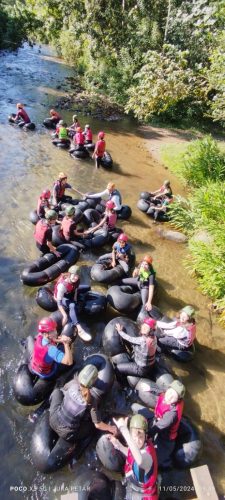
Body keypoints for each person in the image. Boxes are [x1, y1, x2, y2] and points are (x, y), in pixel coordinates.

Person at [49, 364, 117, 443]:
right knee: (91, 425)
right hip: (67, 433)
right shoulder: (91, 400)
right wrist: (111, 428)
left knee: (57, 391)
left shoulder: (73, 383)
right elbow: (98, 424)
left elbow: (64, 390)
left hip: (53, 419)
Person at [132, 380, 185, 469]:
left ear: (178, 400)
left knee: (153, 460)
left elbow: (158, 427)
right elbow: (163, 390)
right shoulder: (167, 393)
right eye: (170, 392)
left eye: (174, 397)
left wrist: (144, 436)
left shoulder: (171, 415)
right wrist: (151, 389)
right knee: (135, 408)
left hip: (166, 437)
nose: (169, 397)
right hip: (157, 418)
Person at [109, 415, 158, 500]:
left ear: (146, 437)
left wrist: (124, 430)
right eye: (134, 436)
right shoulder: (138, 448)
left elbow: (139, 461)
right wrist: (118, 445)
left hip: (143, 495)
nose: (137, 440)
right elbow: (131, 454)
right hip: (133, 485)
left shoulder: (147, 457)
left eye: (141, 436)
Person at [54, 265, 92, 342]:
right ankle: (79, 328)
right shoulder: (62, 286)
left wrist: (75, 298)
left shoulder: (76, 280)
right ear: (69, 274)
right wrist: (64, 315)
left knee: (87, 287)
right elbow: (59, 302)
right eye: (74, 275)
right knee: (72, 305)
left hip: (70, 290)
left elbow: (76, 289)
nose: (76, 277)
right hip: (62, 297)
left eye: (77, 276)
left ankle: (75, 301)